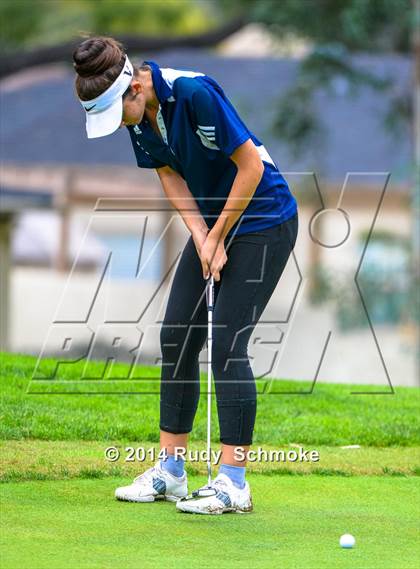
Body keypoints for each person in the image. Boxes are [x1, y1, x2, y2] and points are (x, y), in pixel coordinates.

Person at [73, 36, 298, 515]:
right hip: (215, 223)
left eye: (118, 114)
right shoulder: (140, 114)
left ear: (134, 86)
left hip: (264, 219)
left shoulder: (192, 92)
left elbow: (251, 166)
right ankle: (172, 473)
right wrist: (201, 235)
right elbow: (168, 173)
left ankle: (234, 483)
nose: (121, 126)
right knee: (177, 337)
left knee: (228, 344)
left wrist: (217, 235)